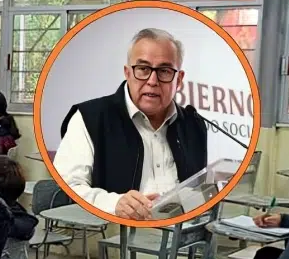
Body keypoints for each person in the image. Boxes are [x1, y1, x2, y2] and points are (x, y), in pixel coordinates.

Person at [52, 28, 208, 221]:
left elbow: (197, 188)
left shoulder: (194, 125)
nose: (152, 81)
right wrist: (114, 204)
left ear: (179, 80)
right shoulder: (89, 117)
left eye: (164, 71)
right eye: (143, 69)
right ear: (127, 73)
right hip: (116, 238)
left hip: (182, 240)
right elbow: (69, 186)